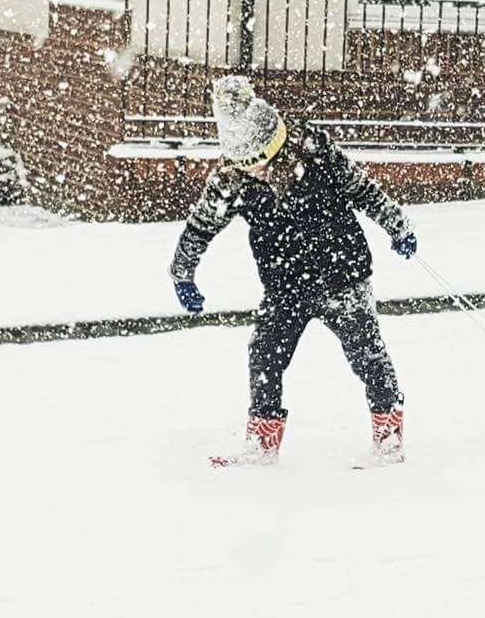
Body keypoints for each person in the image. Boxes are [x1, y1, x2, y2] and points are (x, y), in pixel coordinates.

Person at [170, 76, 418, 466]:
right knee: (265, 355)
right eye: (251, 167)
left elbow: (363, 190)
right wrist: (183, 274)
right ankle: (263, 442)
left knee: (367, 354)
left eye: (264, 163)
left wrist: (397, 226)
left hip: (343, 277)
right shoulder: (231, 180)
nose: (261, 174)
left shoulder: (315, 149)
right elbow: (201, 226)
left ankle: (388, 436)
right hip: (285, 287)